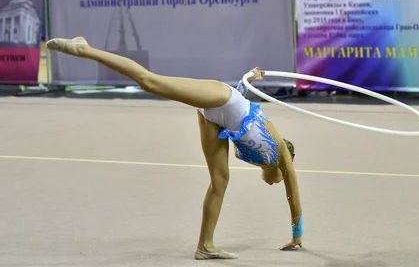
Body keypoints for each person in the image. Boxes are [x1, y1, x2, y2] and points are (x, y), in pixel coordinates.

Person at [46, 36, 303, 260]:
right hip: (223, 98)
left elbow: (244, 119)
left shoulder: (263, 159)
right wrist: (297, 234)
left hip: (218, 119)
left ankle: (205, 246)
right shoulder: (280, 152)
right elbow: (294, 194)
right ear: (286, 162)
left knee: (220, 181)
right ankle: (84, 49)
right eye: (279, 179)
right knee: (151, 82)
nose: (274, 182)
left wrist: (252, 81)